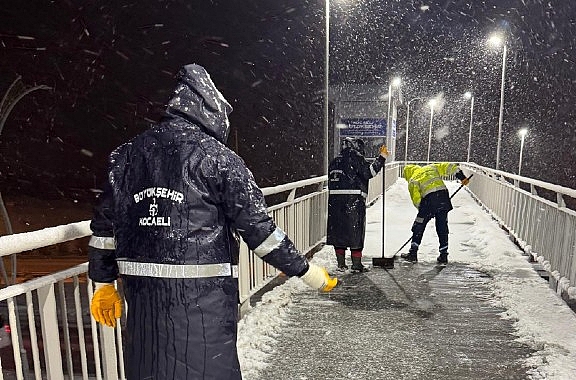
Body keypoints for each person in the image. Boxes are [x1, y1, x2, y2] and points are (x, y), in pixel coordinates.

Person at [87, 63, 337, 380]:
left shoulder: (125, 157)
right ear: (211, 112)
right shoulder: (219, 160)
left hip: (143, 306)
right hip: (202, 308)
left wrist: (104, 281)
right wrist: (306, 270)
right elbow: (259, 232)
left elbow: (104, 230)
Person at [326, 137, 388, 272]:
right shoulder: (355, 158)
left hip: (335, 203)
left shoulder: (335, 161)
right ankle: (356, 265)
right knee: (355, 233)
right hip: (353, 201)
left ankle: (341, 265)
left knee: (339, 234)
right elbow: (369, 172)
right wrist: (382, 158)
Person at [400, 163, 470, 264]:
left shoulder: (412, 180)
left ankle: (413, 253)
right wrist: (461, 177)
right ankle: (443, 255)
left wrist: (425, 212)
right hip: (443, 196)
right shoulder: (430, 167)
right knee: (442, 226)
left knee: (419, 225)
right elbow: (450, 167)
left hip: (429, 200)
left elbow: (416, 200)